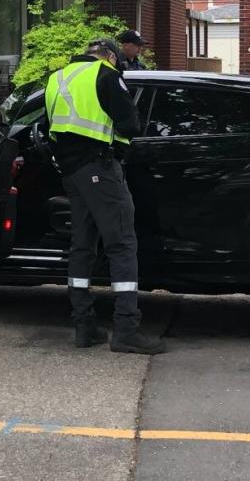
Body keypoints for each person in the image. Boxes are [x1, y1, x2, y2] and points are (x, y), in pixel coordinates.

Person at [45, 38, 165, 354]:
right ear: (110, 56)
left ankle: (84, 326)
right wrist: (119, 153)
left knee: (82, 246)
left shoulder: (56, 78)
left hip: (71, 174)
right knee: (122, 244)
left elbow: (51, 130)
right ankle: (126, 328)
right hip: (100, 167)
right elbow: (130, 124)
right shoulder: (106, 74)